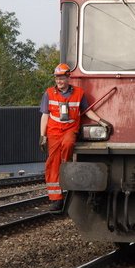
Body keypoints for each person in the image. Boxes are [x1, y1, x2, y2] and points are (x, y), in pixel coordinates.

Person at [39, 63, 112, 212]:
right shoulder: (49, 93)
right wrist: (42, 135)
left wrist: (101, 121)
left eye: (61, 78)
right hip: (53, 131)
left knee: (68, 144)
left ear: (68, 78)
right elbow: (45, 115)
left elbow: (87, 111)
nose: (59, 81)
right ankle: (56, 199)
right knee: (52, 163)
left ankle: (66, 167)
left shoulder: (79, 93)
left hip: (70, 129)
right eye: (57, 78)